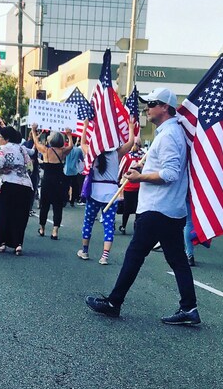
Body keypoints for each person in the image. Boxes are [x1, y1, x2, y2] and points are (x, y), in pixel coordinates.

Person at [85, 87, 200, 326]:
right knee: (176, 259)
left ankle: (114, 302)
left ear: (165, 107)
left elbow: (170, 173)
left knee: (135, 254)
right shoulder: (169, 133)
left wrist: (140, 178)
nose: (147, 107)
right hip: (169, 208)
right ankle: (189, 308)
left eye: (152, 103)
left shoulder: (169, 136)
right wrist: (142, 171)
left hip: (158, 208)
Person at [77, 121, 137, 265]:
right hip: (111, 194)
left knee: (88, 222)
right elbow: (131, 142)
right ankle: (104, 256)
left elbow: (82, 143)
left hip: (94, 192)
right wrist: (130, 126)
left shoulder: (93, 153)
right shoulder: (116, 154)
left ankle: (85, 250)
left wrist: (85, 126)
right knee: (109, 225)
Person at [0, 126, 34, 255]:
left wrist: (6, 168)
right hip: (24, 184)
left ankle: (2, 243)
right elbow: (30, 166)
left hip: (7, 184)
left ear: (6, 138)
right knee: (20, 215)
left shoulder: (2, 149)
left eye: (0, 136)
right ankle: (18, 244)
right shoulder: (22, 149)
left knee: (4, 213)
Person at [30, 125, 70, 239]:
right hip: (59, 182)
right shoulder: (63, 152)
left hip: (47, 181)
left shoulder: (46, 150)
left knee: (45, 205)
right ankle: (55, 231)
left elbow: (36, 144)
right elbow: (71, 146)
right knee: (57, 206)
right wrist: (69, 135)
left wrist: (34, 131)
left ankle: (42, 229)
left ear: (51, 140)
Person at [117, 140, 143, 234]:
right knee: (137, 207)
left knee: (126, 208)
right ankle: (136, 226)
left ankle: (123, 226)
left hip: (128, 184)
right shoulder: (143, 156)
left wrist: (118, 180)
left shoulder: (127, 156)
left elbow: (121, 169)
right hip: (140, 184)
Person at [63, 134, 84, 207]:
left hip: (67, 170)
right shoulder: (79, 150)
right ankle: (72, 201)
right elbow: (82, 159)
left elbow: (63, 158)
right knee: (75, 186)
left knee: (66, 186)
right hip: (75, 170)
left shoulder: (66, 149)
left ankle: (65, 200)